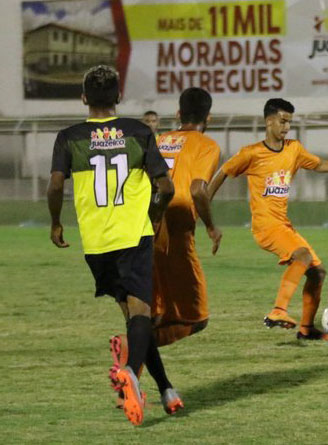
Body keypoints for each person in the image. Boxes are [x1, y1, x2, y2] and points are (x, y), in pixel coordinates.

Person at [47, 65, 175, 425]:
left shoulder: (69, 137)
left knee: (135, 318)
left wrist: (55, 221)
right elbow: (167, 188)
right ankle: (130, 373)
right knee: (141, 314)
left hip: (96, 241)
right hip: (132, 235)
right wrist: (155, 215)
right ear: (119, 96)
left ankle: (166, 388)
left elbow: (55, 186)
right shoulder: (138, 131)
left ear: (83, 98)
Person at [207, 98, 328, 340]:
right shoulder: (251, 153)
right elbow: (222, 173)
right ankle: (278, 310)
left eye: (289, 122)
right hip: (265, 226)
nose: (287, 127)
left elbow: (320, 165)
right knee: (303, 256)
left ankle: (306, 329)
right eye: (282, 121)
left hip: (283, 225)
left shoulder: (294, 149)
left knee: (318, 273)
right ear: (269, 122)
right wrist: (203, 207)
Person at [107, 88, 222, 413]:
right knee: (196, 318)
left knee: (152, 314)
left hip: (143, 224)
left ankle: (133, 386)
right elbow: (197, 190)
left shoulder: (158, 139)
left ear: (178, 114)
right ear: (209, 118)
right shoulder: (207, 145)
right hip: (176, 232)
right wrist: (211, 226)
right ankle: (130, 352)